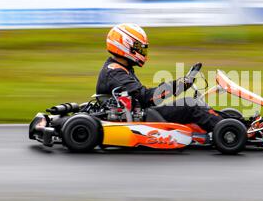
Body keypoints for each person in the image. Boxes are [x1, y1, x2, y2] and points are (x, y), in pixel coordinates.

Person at [96, 23, 224, 131]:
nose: (142, 52)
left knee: (196, 104)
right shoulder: (114, 72)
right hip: (143, 117)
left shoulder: (121, 68)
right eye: (139, 48)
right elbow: (145, 97)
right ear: (125, 45)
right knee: (191, 105)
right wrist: (178, 86)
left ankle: (231, 123)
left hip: (143, 112)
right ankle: (227, 130)